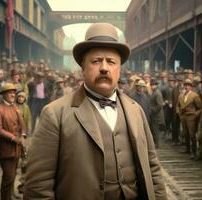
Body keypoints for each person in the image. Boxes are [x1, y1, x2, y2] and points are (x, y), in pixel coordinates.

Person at [24, 23, 167, 200]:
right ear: (83, 68)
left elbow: (153, 168)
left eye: (111, 61)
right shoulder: (55, 114)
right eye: (96, 61)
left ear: (119, 69)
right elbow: (38, 187)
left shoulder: (135, 110)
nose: (104, 67)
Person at [0, 83, 24, 200]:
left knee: (13, 175)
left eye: (13, 92)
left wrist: (23, 134)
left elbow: (21, 125)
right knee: (8, 177)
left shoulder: (15, 107)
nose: (12, 94)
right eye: (10, 92)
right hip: (6, 149)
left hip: (17, 148)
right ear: (4, 94)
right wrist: (12, 137)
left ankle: (10, 196)